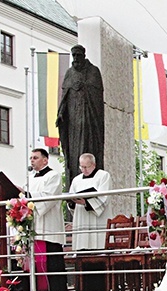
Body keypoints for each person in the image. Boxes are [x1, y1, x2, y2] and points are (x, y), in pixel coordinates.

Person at [56, 44, 105, 191]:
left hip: (89, 119)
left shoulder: (93, 71)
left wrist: (84, 86)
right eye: (74, 55)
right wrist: (60, 113)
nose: (76, 58)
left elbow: (97, 94)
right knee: (73, 152)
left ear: (83, 55)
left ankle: (90, 168)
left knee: (87, 145)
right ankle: (76, 173)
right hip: (72, 121)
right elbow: (64, 96)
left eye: (78, 55)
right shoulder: (69, 73)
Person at [25, 148, 68, 291]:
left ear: (45, 160)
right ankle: (36, 289)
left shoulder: (53, 176)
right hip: (33, 224)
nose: (32, 160)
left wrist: (28, 196)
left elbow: (48, 198)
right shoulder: (30, 178)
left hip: (49, 224)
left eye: (35, 158)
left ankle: (54, 290)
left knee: (51, 257)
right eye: (31, 158)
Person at [68, 153, 113, 250]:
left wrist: (86, 203)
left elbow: (104, 198)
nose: (84, 170)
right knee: (82, 247)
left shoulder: (103, 176)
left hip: (97, 219)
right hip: (81, 217)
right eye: (81, 167)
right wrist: (72, 202)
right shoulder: (76, 180)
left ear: (93, 165)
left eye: (86, 167)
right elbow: (71, 196)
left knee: (98, 246)